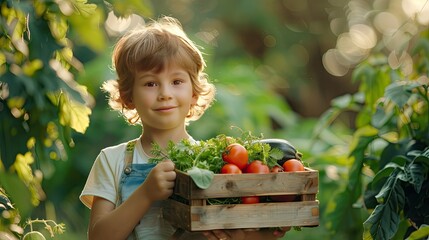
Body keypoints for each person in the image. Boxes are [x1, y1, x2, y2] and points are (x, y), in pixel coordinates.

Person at [79, 16, 289, 240]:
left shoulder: (214, 164)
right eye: (150, 83)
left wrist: (266, 232)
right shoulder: (113, 160)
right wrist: (146, 194)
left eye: (177, 81)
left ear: (194, 93)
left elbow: (233, 233)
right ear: (128, 97)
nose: (165, 93)